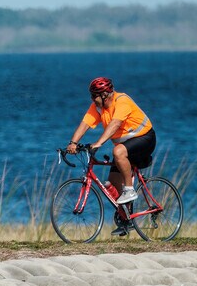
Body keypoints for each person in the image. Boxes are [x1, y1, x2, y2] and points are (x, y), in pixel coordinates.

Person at [66, 77, 156, 236]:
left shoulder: (122, 101)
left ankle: (130, 190)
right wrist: (73, 143)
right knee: (113, 181)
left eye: (95, 96)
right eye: (91, 96)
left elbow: (114, 125)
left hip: (145, 139)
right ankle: (126, 219)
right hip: (126, 146)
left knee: (118, 152)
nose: (92, 99)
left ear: (105, 94)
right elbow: (85, 123)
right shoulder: (98, 107)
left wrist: (99, 143)